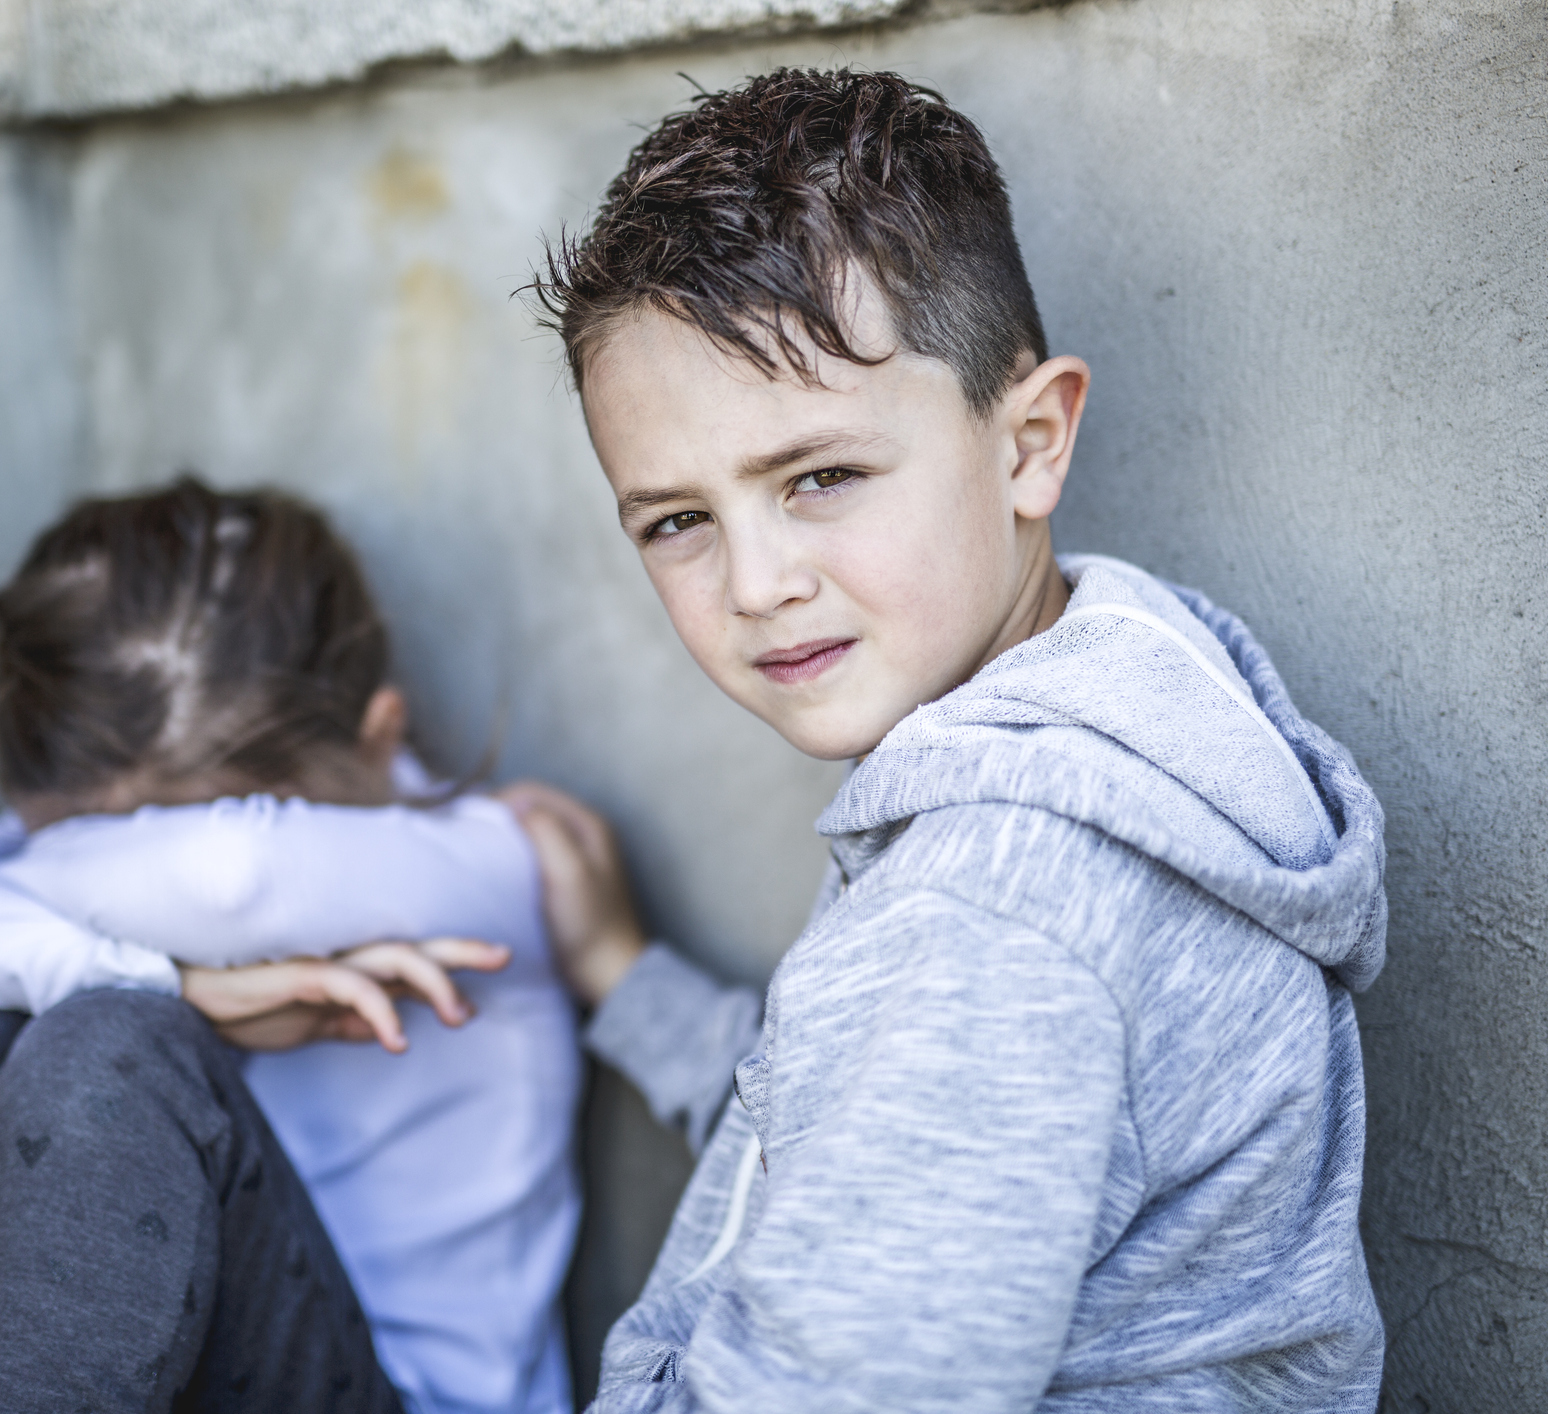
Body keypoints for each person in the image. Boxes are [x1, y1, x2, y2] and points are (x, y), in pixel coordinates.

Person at [497, 67, 1387, 1411]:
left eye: (821, 478)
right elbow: (864, 1131)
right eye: (675, 519)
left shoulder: (993, 912)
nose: (753, 582)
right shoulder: (1113, 720)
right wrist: (631, 983)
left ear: (1030, 440)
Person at [0, 479, 580, 1414]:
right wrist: (164, 975)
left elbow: (228, 876)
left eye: (135, 840)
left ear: (383, 739)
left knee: (113, 1044)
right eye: (90, 840)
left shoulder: (490, 862)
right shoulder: (245, 852)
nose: (125, 867)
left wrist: (98, 939)